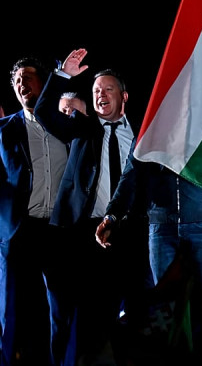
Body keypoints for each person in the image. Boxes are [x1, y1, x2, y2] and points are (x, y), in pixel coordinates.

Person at [95, 153, 202, 366]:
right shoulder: (148, 133)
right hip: (161, 229)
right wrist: (112, 216)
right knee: (165, 308)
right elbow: (130, 176)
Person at [34, 48, 142, 365]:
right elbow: (44, 113)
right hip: (84, 234)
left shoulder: (143, 133)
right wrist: (62, 76)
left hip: (130, 234)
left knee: (130, 316)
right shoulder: (83, 127)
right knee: (87, 319)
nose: (100, 95)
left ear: (124, 96)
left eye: (108, 89)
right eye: (95, 91)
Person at [0, 57, 70, 365]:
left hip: (58, 230)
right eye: (17, 80)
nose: (21, 83)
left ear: (43, 83)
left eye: (28, 77)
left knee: (61, 311)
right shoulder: (3, 130)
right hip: (19, 231)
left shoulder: (65, 124)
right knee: (11, 312)